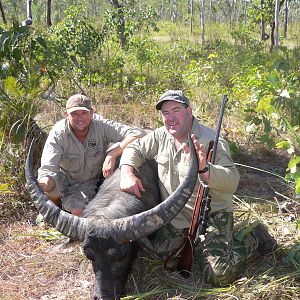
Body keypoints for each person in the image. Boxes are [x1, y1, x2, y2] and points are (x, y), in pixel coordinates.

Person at [119, 90, 277, 286]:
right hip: (176, 218)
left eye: (176, 110)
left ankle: (254, 235)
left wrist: (205, 170)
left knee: (219, 276)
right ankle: (193, 242)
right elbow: (135, 149)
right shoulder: (160, 135)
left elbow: (232, 180)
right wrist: (127, 171)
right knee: (158, 254)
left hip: (211, 214)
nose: (170, 118)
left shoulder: (211, 141)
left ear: (189, 111)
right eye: (165, 113)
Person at [38, 93, 144, 217]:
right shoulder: (58, 133)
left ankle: (64, 205)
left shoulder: (101, 125)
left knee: (80, 215)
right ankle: (55, 203)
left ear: (92, 113)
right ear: (66, 115)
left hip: (88, 180)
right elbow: (48, 169)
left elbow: (138, 133)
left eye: (84, 113)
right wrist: (42, 185)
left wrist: (113, 154)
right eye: (74, 114)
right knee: (47, 187)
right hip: (64, 176)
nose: (80, 118)